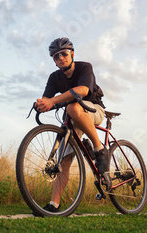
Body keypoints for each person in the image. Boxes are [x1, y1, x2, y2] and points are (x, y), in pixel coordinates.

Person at [35, 37, 111, 212]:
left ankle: (99, 149)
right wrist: (41, 103)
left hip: (93, 110)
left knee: (73, 107)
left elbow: (83, 90)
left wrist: (53, 101)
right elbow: (47, 98)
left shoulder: (85, 67)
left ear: (72, 54)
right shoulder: (54, 77)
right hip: (73, 115)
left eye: (64, 53)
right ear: (54, 61)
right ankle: (54, 205)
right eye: (56, 56)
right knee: (64, 160)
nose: (60, 58)